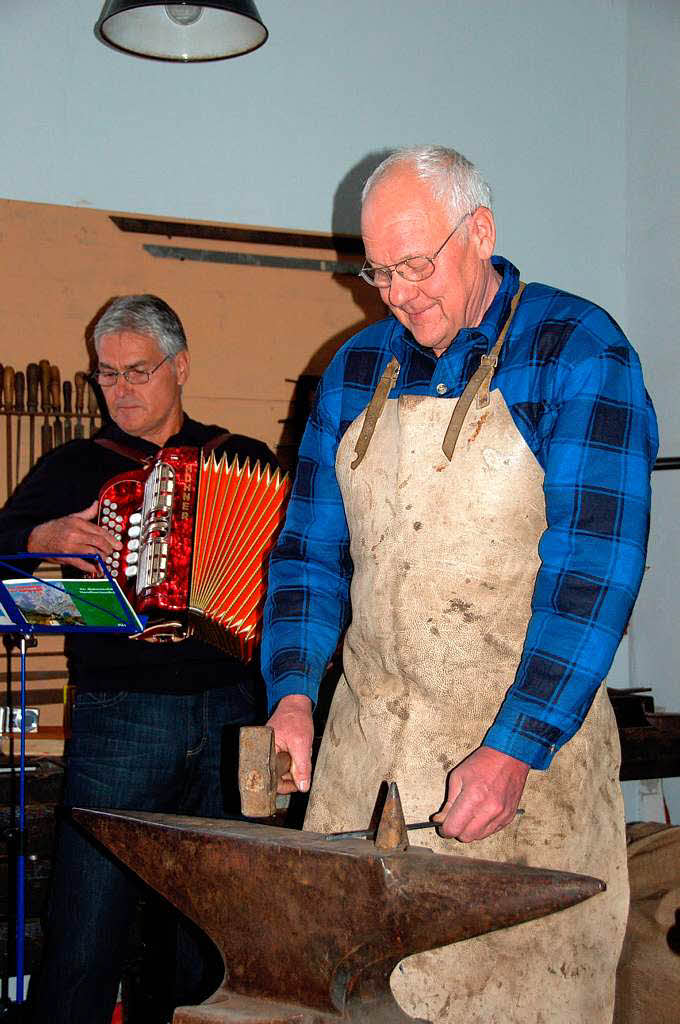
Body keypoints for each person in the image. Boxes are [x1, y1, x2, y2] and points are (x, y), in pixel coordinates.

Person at [261, 147, 658, 1023]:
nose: (395, 293)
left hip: (522, 775)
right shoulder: (356, 369)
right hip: (363, 769)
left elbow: (594, 571)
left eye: (415, 264)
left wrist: (517, 744)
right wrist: (292, 692)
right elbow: (306, 555)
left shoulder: (577, 351)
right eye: (378, 270)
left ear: (480, 232)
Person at [0, 294, 277, 1024]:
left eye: (137, 372)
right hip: (120, 712)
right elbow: (3, 553)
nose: (120, 390)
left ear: (179, 367)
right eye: (107, 375)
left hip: (230, 710)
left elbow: (294, 571)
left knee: (214, 927)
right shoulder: (76, 466)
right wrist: (46, 535)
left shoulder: (242, 458)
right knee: (89, 919)